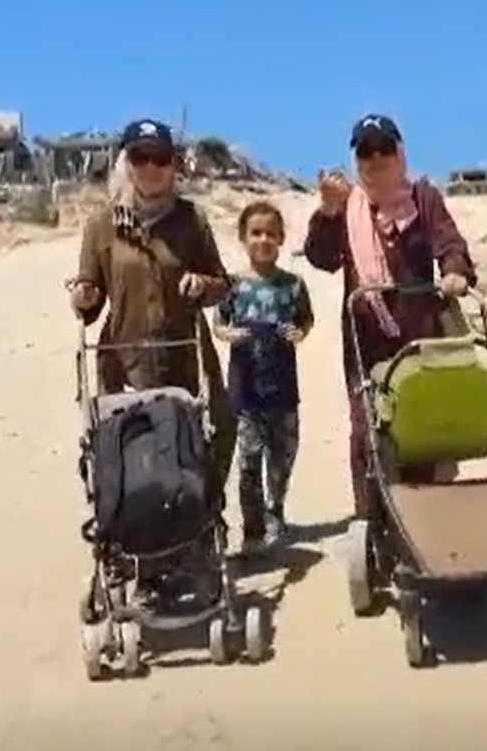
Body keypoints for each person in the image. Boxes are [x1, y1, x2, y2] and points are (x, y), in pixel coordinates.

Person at [67, 117, 238, 543]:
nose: (150, 168)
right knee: (127, 449)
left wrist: (203, 285)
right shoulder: (101, 226)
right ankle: (132, 536)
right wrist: (84, 297)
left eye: (160, 159)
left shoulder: (191, 220)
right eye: (140, 157)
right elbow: (90, 296)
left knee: (218, 429)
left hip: (185, 356)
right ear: (126, 162)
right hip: (123, 363)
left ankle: (202, 519)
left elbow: (221, 285)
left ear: (172, 165)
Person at [303, 114, 477, 523]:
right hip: (366, 343)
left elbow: (449, 242)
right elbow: (321, 258)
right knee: (369, 432)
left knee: (423, 425)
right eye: (366, 150)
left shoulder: (423, 197)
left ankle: (427, 522)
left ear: (399, 152)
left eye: (384, 148)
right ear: (355, 158)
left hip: (421, 338)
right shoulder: (346, 206)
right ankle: (375, 525)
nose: (376, 158)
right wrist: (327, 212)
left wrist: (454, 270)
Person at [215, 201, 314, 556]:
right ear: (243, 237)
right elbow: (219, 324)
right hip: (244, 392)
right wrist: (230, 336)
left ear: (282, 239)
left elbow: (306, 320)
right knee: (248, 462)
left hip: (284, 389)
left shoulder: (293, 285)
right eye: (256, 233)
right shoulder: (234, 285)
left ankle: (276, 511)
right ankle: (253, 530)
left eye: (271, 234)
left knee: (283, 457)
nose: (264, 240)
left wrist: (298, 333)